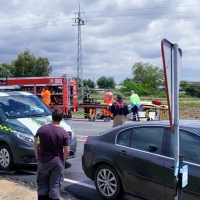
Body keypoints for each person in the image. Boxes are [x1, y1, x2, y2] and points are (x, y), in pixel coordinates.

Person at [33, 108, 70, 200]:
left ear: (52, 117)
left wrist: (37, 157)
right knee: (55, 186)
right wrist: (63, 160)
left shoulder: (41, 129)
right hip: (57, 161)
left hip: (43, 161)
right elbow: (67, 150)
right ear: (61, 119)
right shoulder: (64, 133)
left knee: (42, 185)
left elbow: (35, 143)